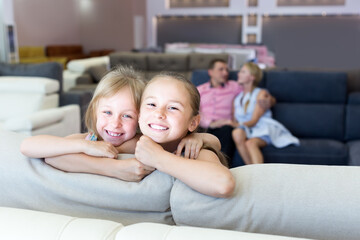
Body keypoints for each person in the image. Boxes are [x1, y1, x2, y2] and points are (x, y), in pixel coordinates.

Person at [21, 66, 220, 182]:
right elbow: (30, 147)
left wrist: (198, 136)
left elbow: (211, 143)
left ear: (141, 118)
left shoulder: (144, 143)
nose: (115, 124)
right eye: (107, 112)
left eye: (127, 116)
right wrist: (89, 149)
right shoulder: (91, 139)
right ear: (94, 111)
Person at [135, 72, 235, 198]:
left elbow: (223, 184)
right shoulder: (131, 141)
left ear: (193, 122)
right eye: (152, 104)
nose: (159, 113)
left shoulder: (193, 151)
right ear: (139, 114)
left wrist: (158, 158)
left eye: (173, 108)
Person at [197, 59, 273, 164]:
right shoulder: (200, 90)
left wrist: (270, 100)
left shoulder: (234, 86)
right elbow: (194, 111)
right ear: (211, 72)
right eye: (221, 69)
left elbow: (253, 91)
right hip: (205, 126)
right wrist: (210, 123)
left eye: (227, 70)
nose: (225, 73)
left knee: (228, 130)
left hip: (226, 126)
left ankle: (223, 166)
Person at [232, 62, 300, 165]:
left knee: (250, 143)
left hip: (262, 127)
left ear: (252, 77)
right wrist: (232, 124)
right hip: (248, 129)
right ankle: (251, 170)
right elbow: (235, 121)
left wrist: (232, 124)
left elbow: (254, 121)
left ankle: (258, 175)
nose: (238, 74)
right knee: (236, 133)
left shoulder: (261, 94)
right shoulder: (237, 99)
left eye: (243, 72)